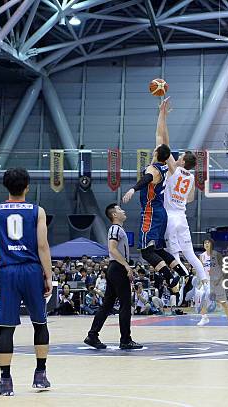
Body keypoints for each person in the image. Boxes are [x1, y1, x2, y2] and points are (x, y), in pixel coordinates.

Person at [0, 167, 53, 396]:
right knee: (40, 323)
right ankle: (40, 375)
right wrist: (48, 275)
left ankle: (6, 380)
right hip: (31, 270)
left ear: (5, 186)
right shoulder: (37, 211)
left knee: (6, 328)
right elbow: (42, 246)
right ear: (27, 186)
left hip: (6, 272)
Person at [121, 100, 189, 291]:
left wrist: (133, 189)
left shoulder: (154, 169)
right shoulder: (169, 165)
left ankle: (171, 279)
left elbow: (148, 178)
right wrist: (162, 114)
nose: (155, 146)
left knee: (145, 251)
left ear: (157, 153)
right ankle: (184, 274)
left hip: (151, 211)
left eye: (157, 148)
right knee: (158, 250)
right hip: (161, 212)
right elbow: (161, 136)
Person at [155, 97, 209, 294]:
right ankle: (204, 281)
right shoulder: (191, 177)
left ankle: (183, 277)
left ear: (183, 162)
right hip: (182, 216)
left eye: (179, 158)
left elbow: (163, 143)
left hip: (170, 216)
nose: (176, 158)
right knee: (190, 252)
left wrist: (162, 115)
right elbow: (191, 199)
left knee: (173, 253)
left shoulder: (175, 171)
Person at [84, 203, 142, 350]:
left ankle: (92, 335)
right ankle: (125, 339)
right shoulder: (115, 229)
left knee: (107, 305)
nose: (123, 211)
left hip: (114, 268)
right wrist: (126, 265)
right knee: (125, 305)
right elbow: (112, 249)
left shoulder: (117, 229)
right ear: (115, 215)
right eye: (120, 210)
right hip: (117, 268)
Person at [196, 239, 228, 327]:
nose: (206, 244)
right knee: (202, 299)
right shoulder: (201, 256)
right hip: (206, 281)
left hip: (217, 281)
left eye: (208, 242)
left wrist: (219, 280)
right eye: (205, 243)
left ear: (212, 244)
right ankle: (204, 318)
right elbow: (200, 270)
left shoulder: (217, 255)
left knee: (223, 302)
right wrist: (200, 282)